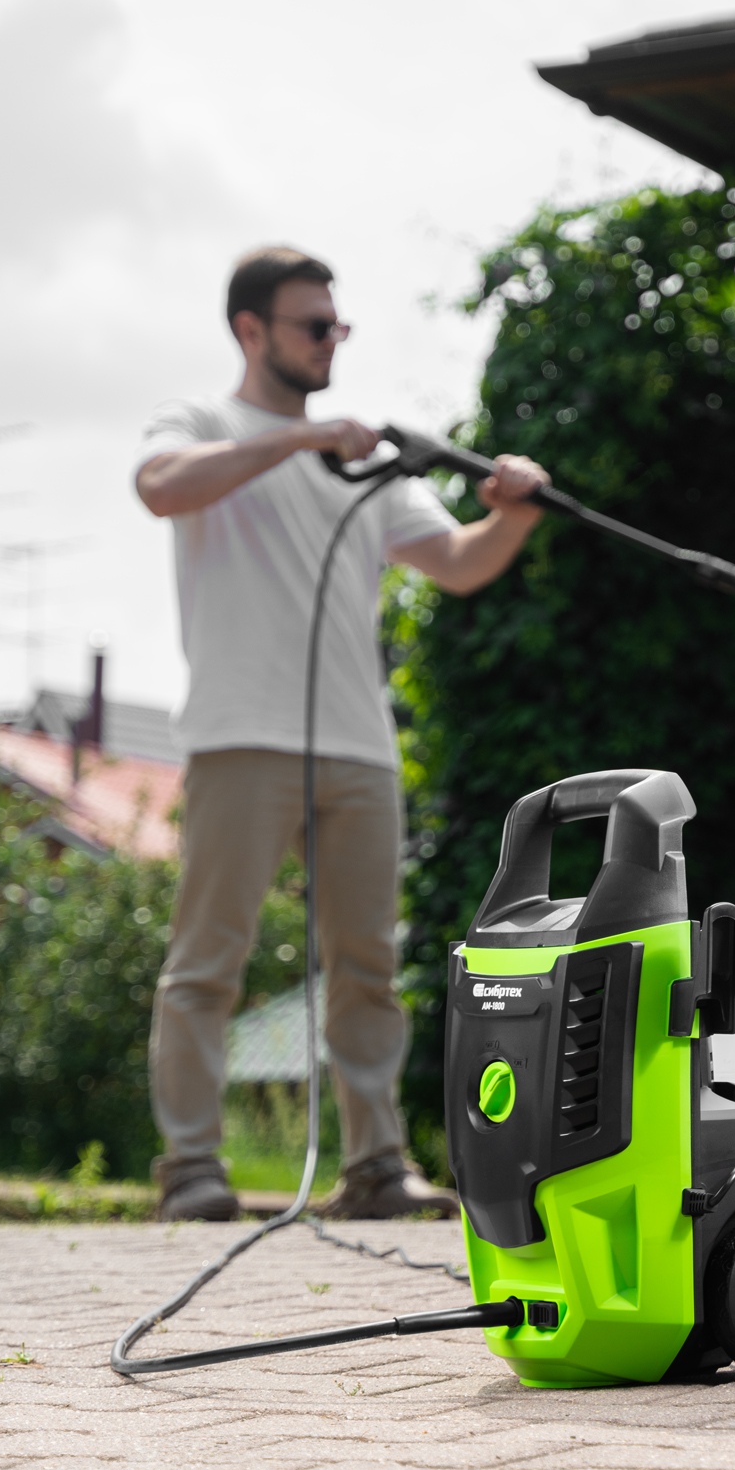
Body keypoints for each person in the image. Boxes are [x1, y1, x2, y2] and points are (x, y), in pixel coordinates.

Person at [134, 246, 545, 1221]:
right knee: (207, 962)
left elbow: (455, 561)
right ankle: (191, 1168)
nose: (331, 341)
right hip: (240, 736)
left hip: (359, 747)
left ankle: (375, 1168)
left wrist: (515, 515)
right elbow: (159, 485)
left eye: (338, 325)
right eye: (314, 325)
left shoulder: (366, 460)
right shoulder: (203, 423)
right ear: (251, 330)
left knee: (367, 966)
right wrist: (299, 438)